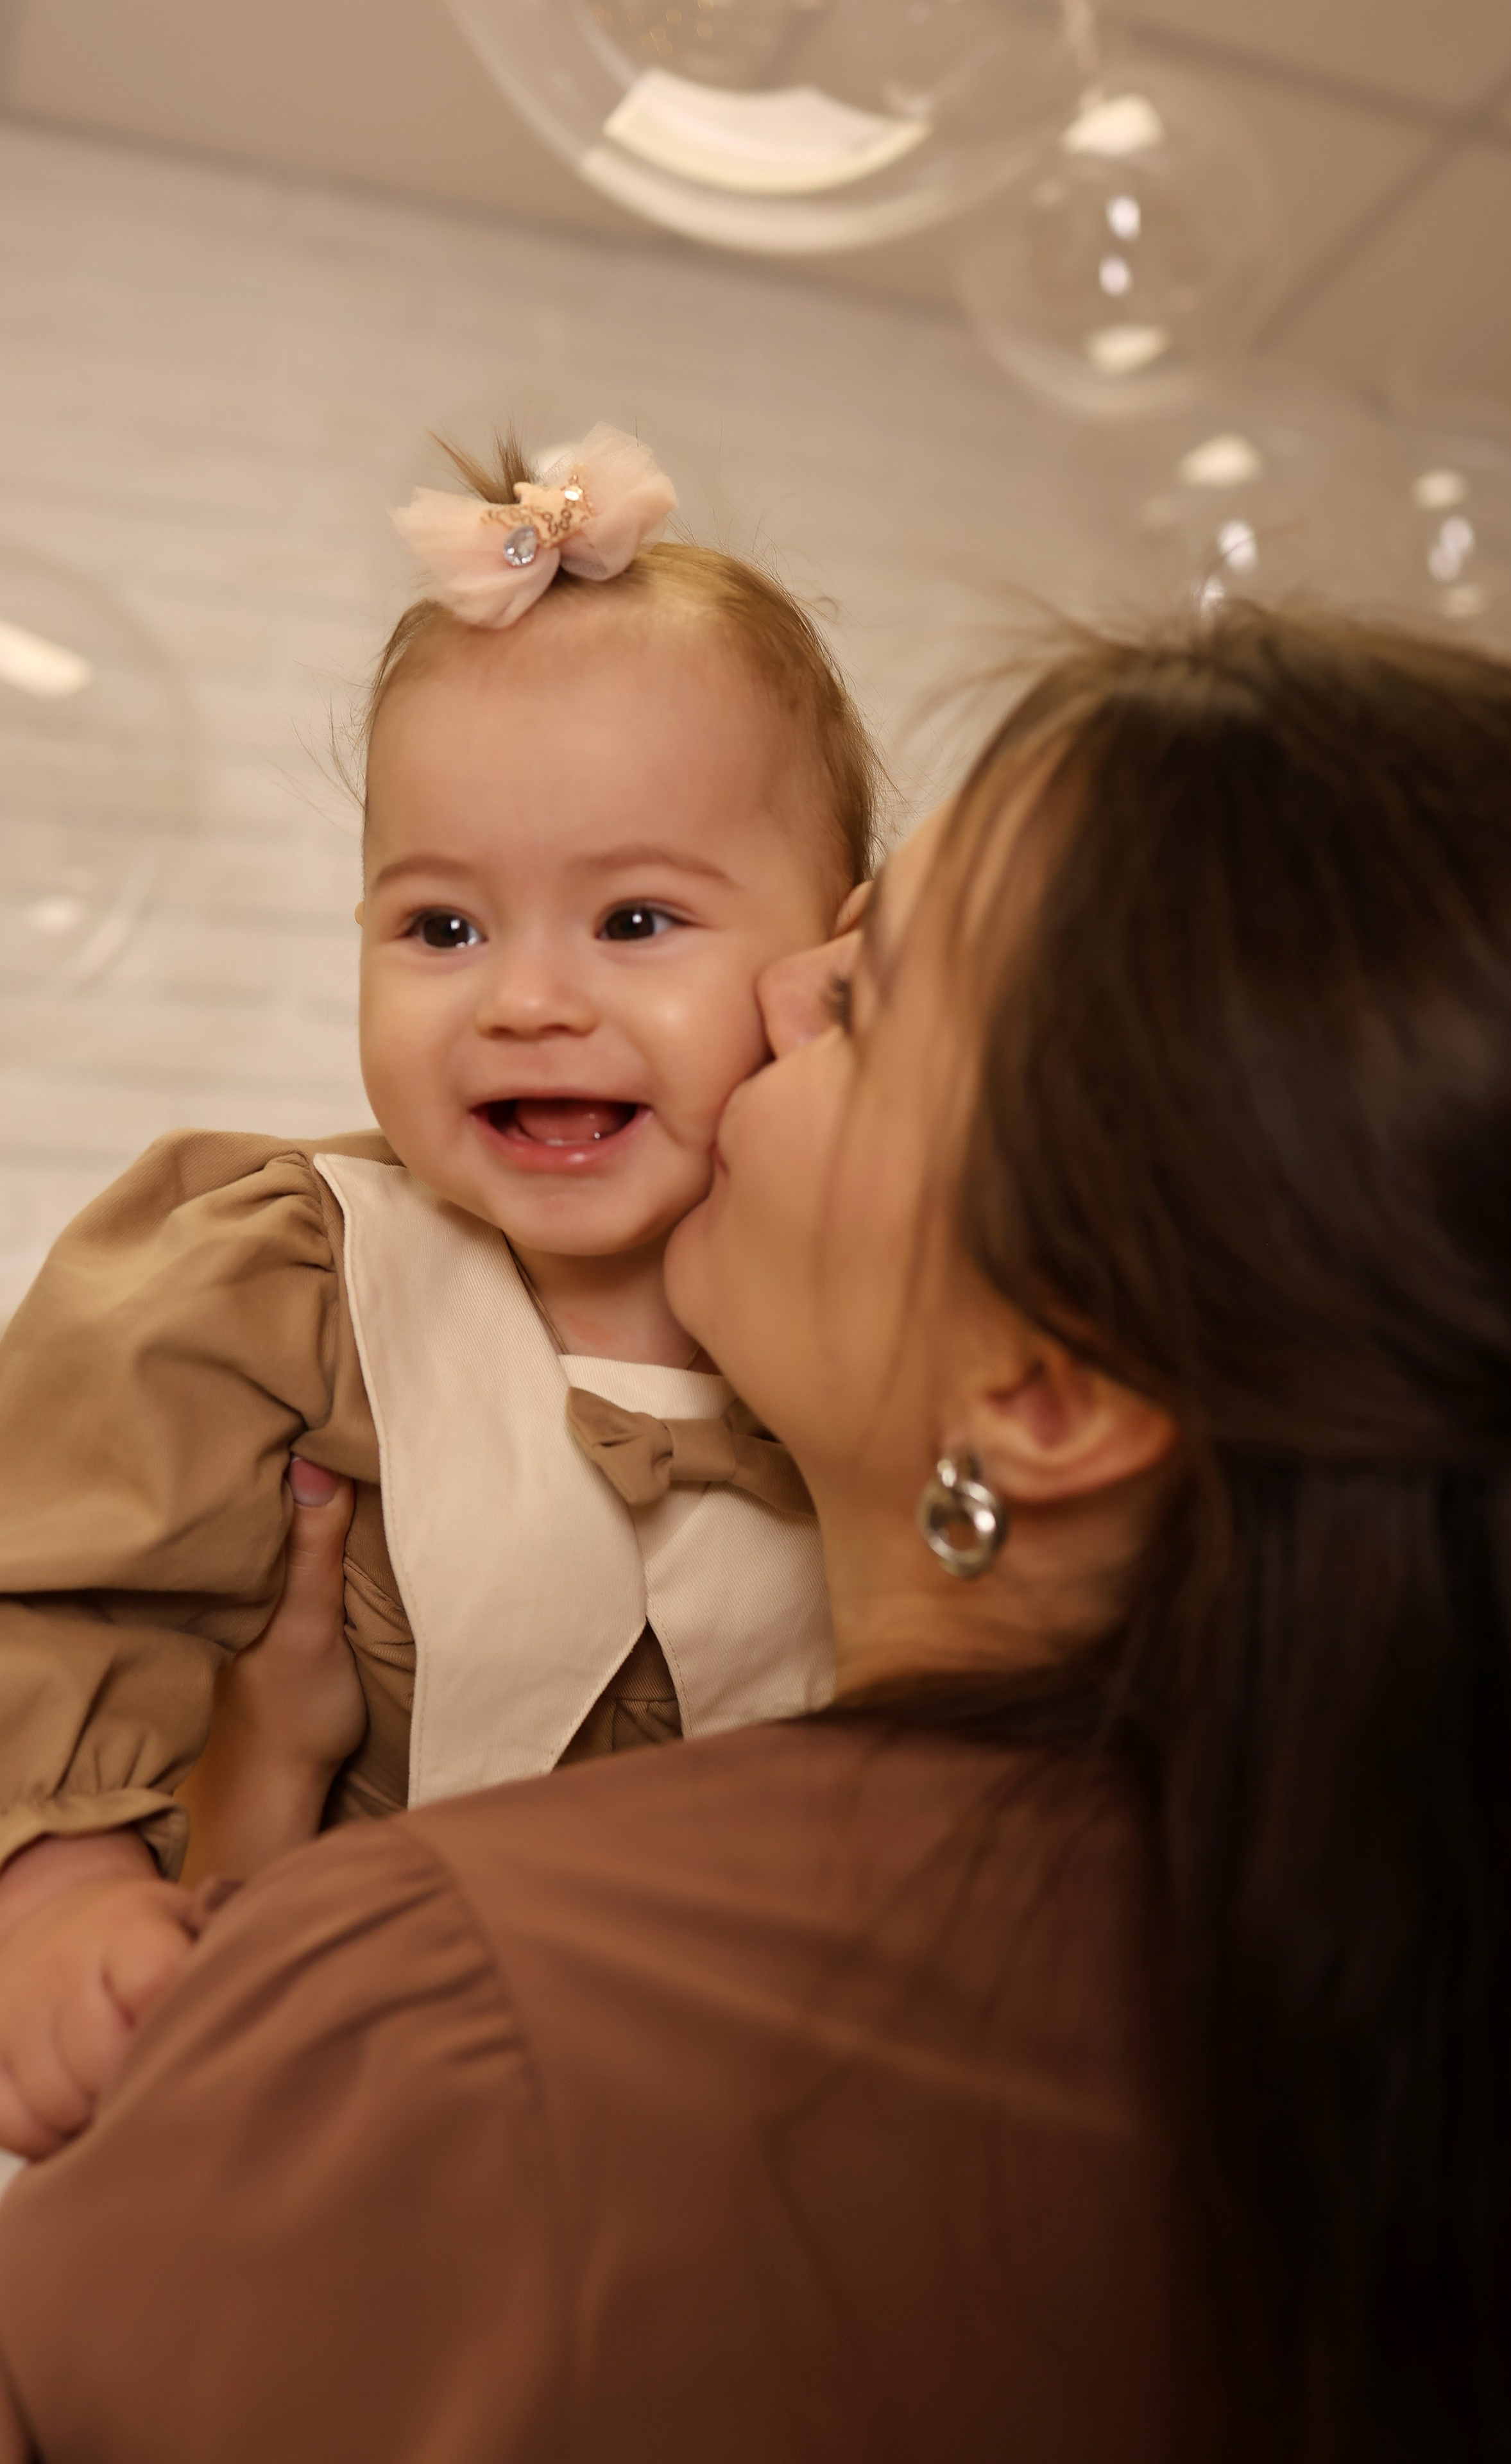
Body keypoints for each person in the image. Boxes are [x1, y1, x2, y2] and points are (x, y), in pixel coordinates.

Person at [4, 604, 1511, 2461]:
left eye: (860, 993)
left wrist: (266, 1900)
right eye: (440, 922)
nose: (781, 994)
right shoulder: (1439, 1991)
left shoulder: (460, 2015)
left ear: (1047, 1388)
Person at [0, 421, 878, 2159]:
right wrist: (61, 1897)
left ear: (832, 964)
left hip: (729, 2134)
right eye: (441, 929)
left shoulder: (871, 1327)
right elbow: (50, 1587)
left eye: (634, 923)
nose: (525, 1002)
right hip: (335, 2107)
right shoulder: (292, 1274)